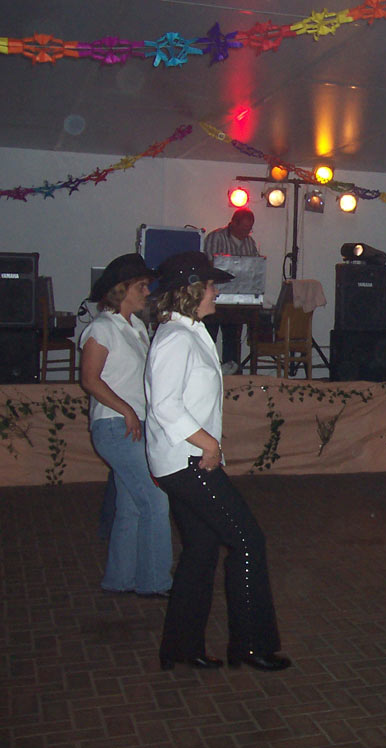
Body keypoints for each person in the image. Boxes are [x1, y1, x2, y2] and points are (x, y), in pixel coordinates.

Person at [146, 251, 290, 672]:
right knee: (248, 541)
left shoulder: (188, 332)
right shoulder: (176, 338)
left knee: (202, 549)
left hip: (182, 460)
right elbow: (165, 405)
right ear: (190, 291)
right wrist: (208, 444)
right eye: (210, 285)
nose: (215, 292)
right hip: (188, 461)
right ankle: (250, 645)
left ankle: (181, 647)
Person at [80, 254, 172, 597]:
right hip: (115, 425)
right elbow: (90, 379)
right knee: (155, 501)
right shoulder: (101, 328)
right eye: (141, 286)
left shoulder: (136, 328)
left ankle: (121, 579)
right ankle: (155, 581)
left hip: (132, 424)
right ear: (122, 289)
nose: (147, 291)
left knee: (132, 505)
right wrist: (127, 410)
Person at [202, 208, 258, 375]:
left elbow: (255, 268)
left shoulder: (250, 242)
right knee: (208, 337)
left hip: (237, 300)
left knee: (233, 340)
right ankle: (208, 373)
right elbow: (210, 265)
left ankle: (232, 376)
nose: (246, 233)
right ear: (233, 223)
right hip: (215, 298)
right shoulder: (215, 237)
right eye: (243, 228)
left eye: (249, 229)